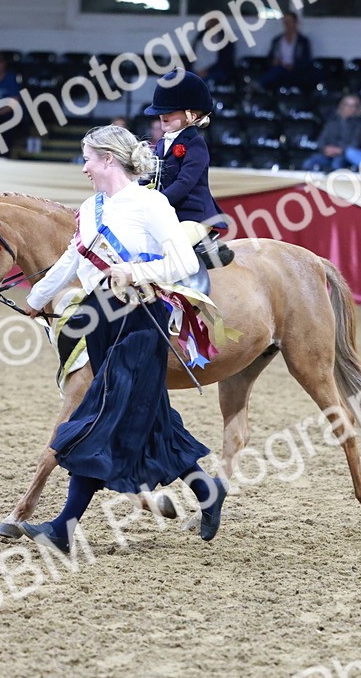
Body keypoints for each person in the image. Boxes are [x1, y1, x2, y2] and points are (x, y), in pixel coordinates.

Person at [18, 125, 229, 553]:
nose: (84, 168)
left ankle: (64, 526)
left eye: (88, 159)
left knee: (100, 413)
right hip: (101, 317)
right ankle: (208, 490)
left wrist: (136, 272)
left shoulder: (150, 203)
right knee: (154, 421)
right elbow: (72, 258)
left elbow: (183, 259)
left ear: (109, 160)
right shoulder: (91, 207)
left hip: (141, 316)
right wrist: (37, 297)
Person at [144, 69, 233, 268]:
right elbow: (152, 177)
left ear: (191, 115)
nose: (162, 116)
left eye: (170, 111)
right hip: (168, 214)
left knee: (169, 251)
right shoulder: (161, 144)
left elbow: (185, 183)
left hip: (193, 216)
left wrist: (157, 202)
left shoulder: (195, 145)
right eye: (161, 112)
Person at [303, 95, 361, 172]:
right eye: (347, 104)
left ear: (357, 108)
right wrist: (325, 149)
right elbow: (321, 139)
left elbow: (356, 142)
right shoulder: (332, 121)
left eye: (352, 106)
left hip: (344, 155)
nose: (349, 108)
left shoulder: (359, 124)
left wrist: (339, 150)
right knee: (308, 163)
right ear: (342, 106)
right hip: (327, 154)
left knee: (336, 165)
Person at [259, 12, 314, 90]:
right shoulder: (277, 40)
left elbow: (306, 60)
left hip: (296, 71)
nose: (287, 24)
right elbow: (269, 58)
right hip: (280, 68)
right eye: (285, 22)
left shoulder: (303, 42)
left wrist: (294, 66)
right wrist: (273, 61)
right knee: (277, 71)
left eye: (289, 22)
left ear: (295, 23)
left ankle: (260, 85)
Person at [189, 12, 237, 86]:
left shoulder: (225, 38)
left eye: (213, 21)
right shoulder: (200, 36)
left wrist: (207, 71)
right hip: (196, 70)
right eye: (209, 21)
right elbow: (192, 54)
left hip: (215, 71)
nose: (211, 24)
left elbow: (226, 60)